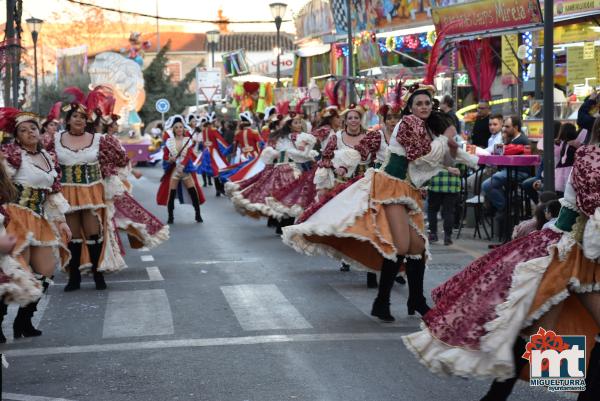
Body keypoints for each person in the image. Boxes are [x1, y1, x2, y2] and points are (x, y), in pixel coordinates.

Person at [402, 116, 600, 401]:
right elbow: (592, 205)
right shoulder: (591, 156)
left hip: (582, 253)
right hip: (567, 252)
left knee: (541, 329)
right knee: (531, 327)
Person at [283, 85, 478, 322]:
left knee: (417, 248)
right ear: (409, 108)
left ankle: (415, 300)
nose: (424, 107)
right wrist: (446, 142)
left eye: (427, 103)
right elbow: (417, 154)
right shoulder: (407, 124)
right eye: (419, 104)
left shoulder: (429, 127)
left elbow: (440, 156)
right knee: (400, 245)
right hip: (390, 186)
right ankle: (382, 301)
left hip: (410, 190)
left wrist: (457, 154)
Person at [48, 87, 129, 292]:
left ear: (87, 121)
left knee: (94, 234)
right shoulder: (56, 140)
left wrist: (109, 173)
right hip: (67, 194)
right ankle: (74, 277)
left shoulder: (98, 140)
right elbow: (47, 164)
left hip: (92, 193)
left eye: (83, 117)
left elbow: (121, 158)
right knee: (73, 236)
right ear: (68, 119)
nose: (79, 120)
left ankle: (98, 274)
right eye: (75, 116)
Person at [0, 109, 69, 341]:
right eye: (23, 130)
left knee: (46, 270)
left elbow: (53, 193)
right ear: (16, 136)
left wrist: (61, 221)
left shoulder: (48, 157)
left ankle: (24, 320)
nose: (30, 132)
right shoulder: (13, 155)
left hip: (39, 219)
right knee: (14, 271)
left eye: (33, 128)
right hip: (16, 218)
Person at [156, 115, 205, 224]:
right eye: (176, 127)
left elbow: (188, 155)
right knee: (171, 194)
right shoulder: (169, 142)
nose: (179, 129)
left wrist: (182, 164)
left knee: (193, 192)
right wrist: (170, 159)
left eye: (181, 127)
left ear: (184, 129)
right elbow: (165, 156)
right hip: (175, 171)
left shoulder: (188, 140)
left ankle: (198, 215)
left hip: (185, 170)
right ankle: (170, 217)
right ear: (173, 129)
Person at [481, 115, 530, 220]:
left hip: (518, 172)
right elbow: (497, 154)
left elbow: (498, 151)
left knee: (486, 185)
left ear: (515, 127)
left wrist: (502, 145)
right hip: (507, 171)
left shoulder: (522, 140)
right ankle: (506, 207)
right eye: (504, 126)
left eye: (507, 127)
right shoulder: (510, 139)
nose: (504, 129)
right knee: (487, 184)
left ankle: (504, 208)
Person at [427, 114, 463, 246]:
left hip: (435, 182)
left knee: (432, 209)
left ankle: (433, 234)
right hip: (452, 184)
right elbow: (461, 162)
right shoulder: (457, 140)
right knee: (448, 211)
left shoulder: (433, 140)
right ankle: (448, 236)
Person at [194, 112, 230, 197]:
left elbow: (204, 142)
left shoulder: (204, 130)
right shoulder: (213, 130)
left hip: (206, 152)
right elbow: (220, 141)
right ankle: (220, 188)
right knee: (221, 169)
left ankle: (218, 189)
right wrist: (227, 148)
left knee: (214, 171)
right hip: (214, 152)